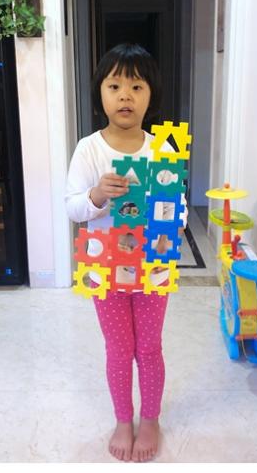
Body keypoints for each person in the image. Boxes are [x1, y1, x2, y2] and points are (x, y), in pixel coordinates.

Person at [65, 43, 181, 462]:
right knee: (118, 349)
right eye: (114, 86)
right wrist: (97, 195)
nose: (125, 95)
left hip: (152, 267)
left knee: (149, 348)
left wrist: (171, 219)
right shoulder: (89, 149)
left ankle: (150, 419)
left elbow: (178, 207)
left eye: (136, 86)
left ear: (152, 95)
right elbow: (73, 207)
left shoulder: (164, 148)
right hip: (105, 268)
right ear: (100, 93)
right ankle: (122, 418)